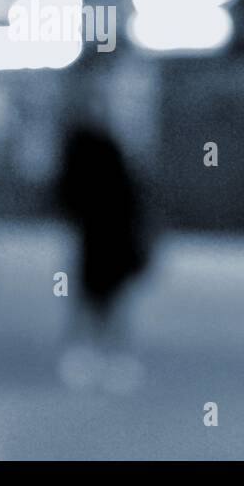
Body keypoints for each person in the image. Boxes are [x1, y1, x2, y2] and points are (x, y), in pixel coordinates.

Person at [56, 117, 150, 391]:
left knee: (95, 300)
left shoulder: (89, 156)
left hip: (104, 241)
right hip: (108, 240)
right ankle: (103, 357)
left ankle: (92, 357)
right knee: (105, 301)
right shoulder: (109, 160)